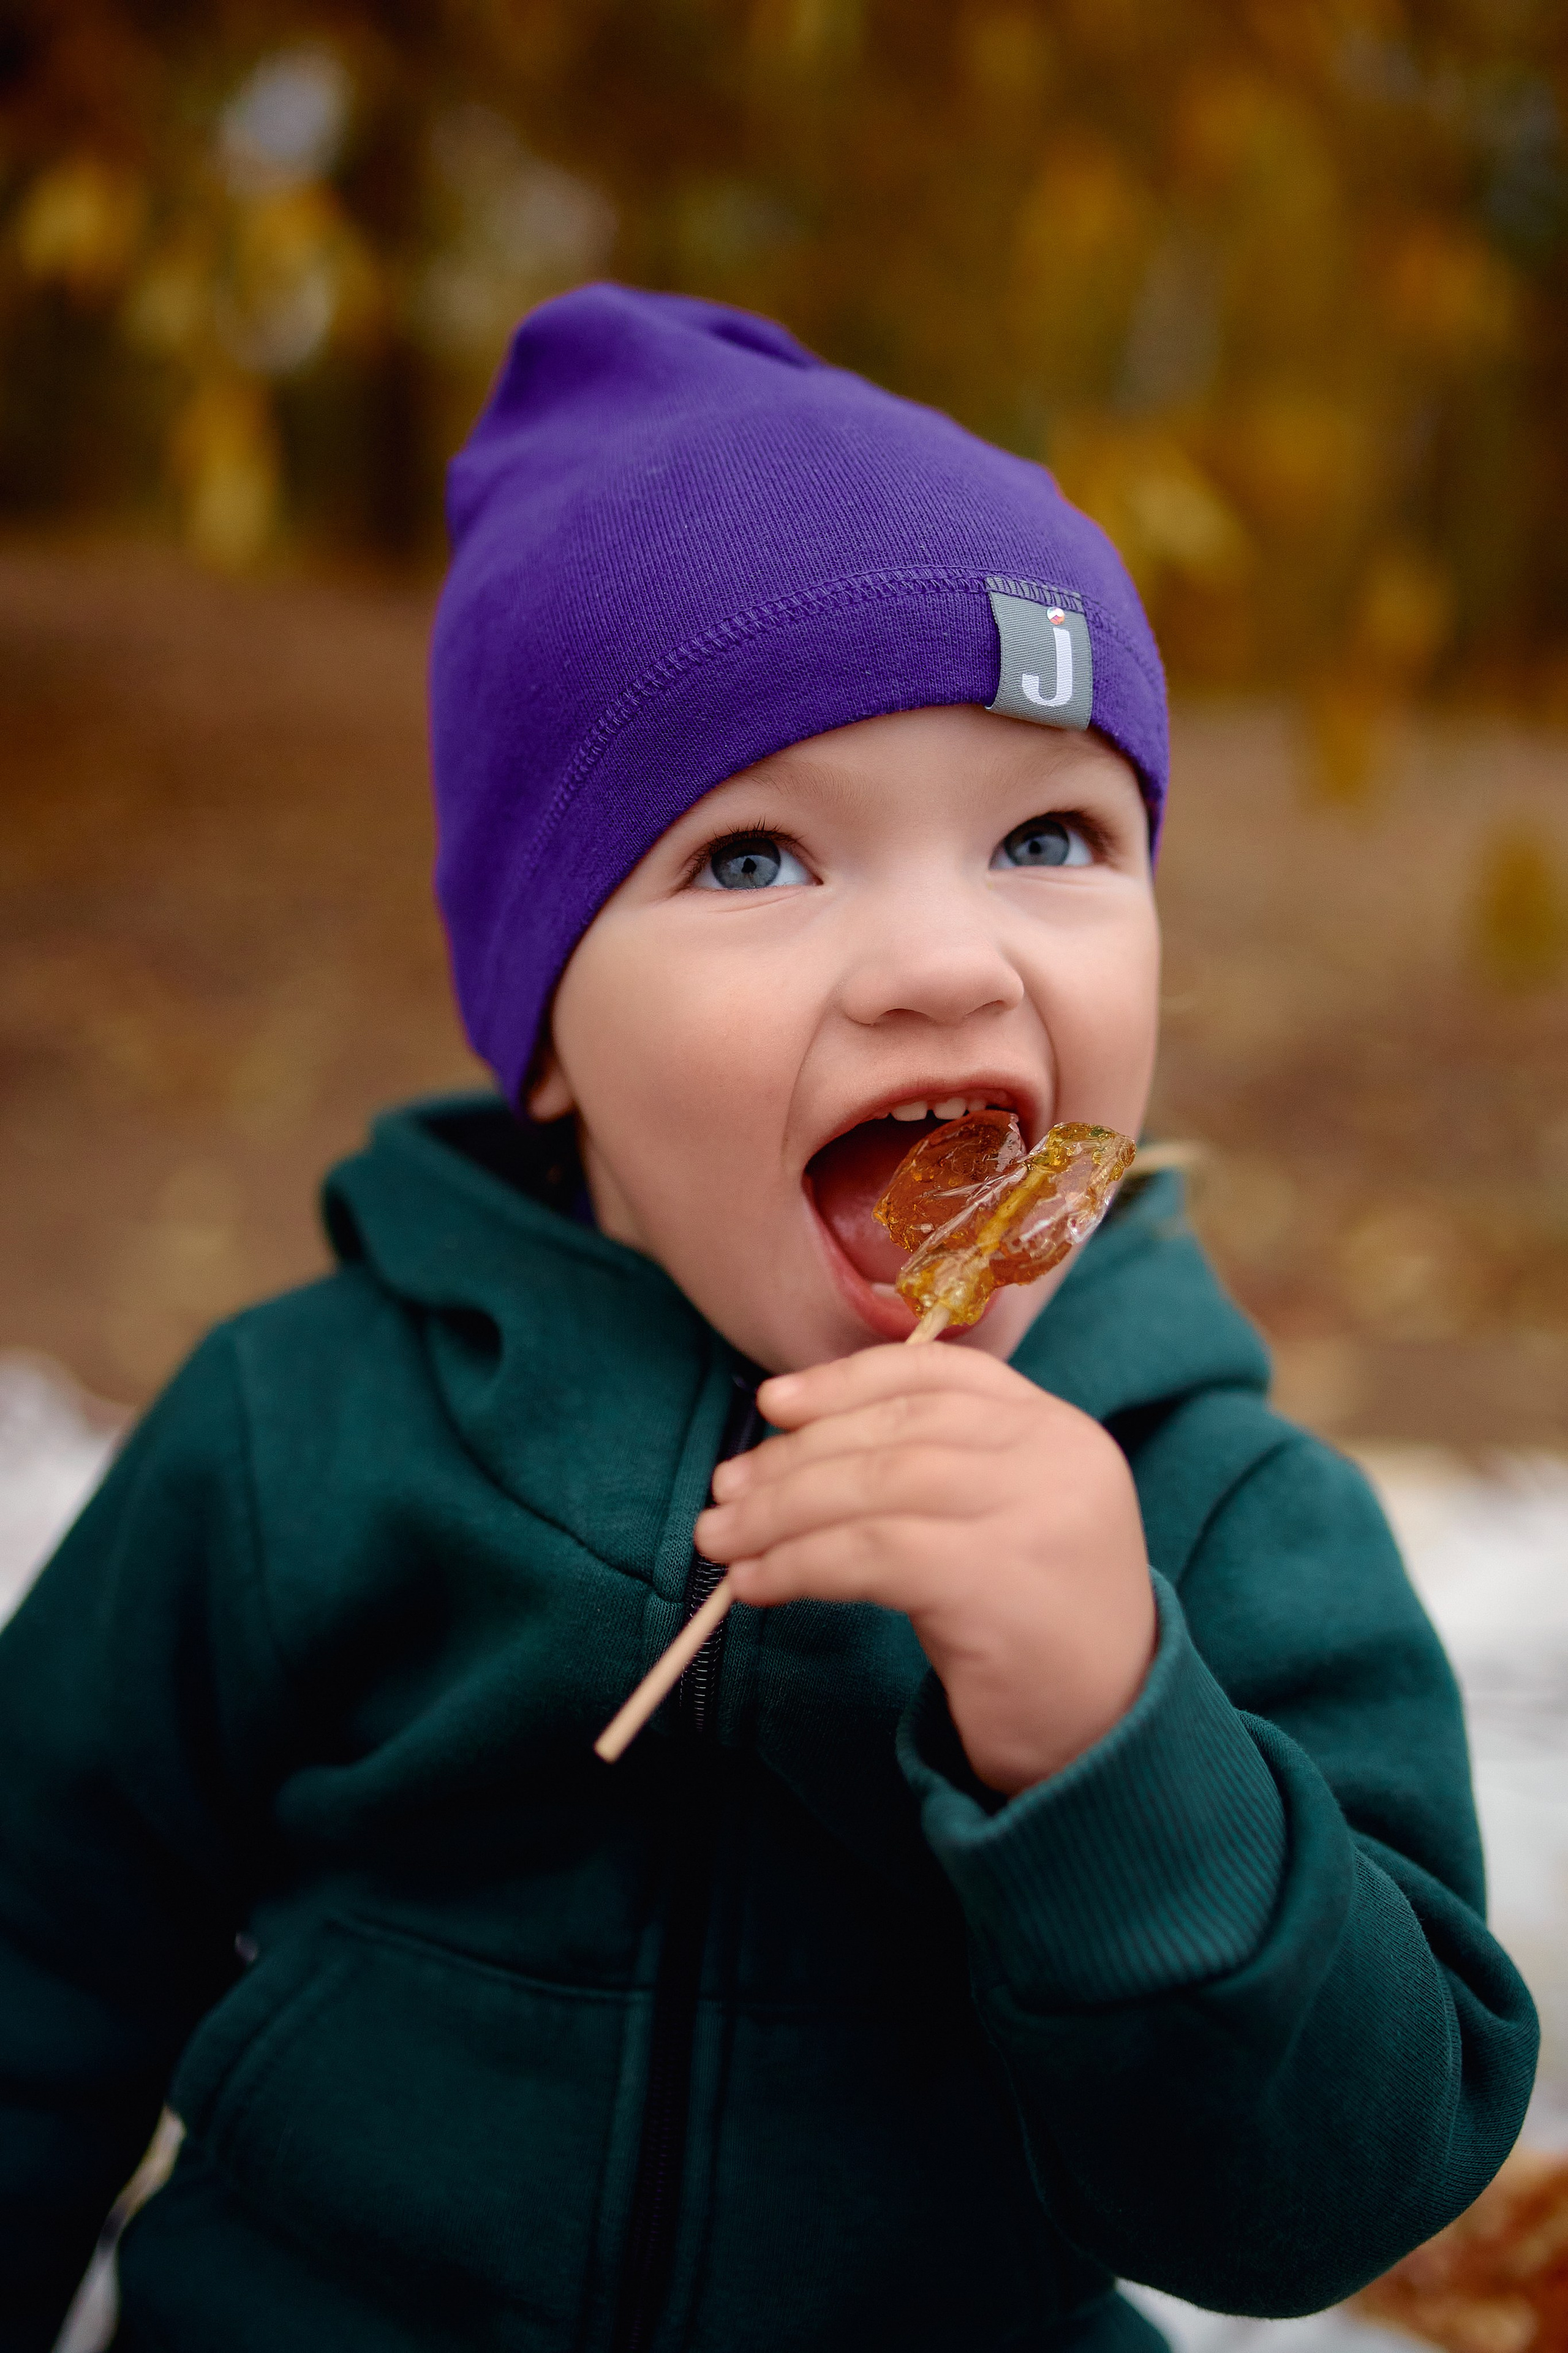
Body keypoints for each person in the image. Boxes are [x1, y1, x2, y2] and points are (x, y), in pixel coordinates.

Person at [0, 286, 1536, 2353]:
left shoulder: (1216, 1514)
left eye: (1050, 833)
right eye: (755, 857)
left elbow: (1326, 2198)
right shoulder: (301, 1437)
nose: (940, 961)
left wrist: (1112, 1741)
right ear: (550, 1037)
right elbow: (33, 1958)